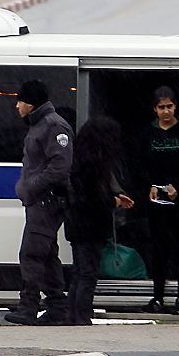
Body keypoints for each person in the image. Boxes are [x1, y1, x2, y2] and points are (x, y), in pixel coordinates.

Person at [5, 79, 73, 326]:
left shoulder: (53, 126)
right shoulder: (39, 125)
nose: (17, 106)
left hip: (47, 201)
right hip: (40, 200)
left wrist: (32, 187)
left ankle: (28, 306)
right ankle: (57, 306)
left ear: (31, 102)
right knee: (46, 255)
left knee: (31, 253)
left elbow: (60, 166)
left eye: (20, 100)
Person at [64, 117, 134, 325]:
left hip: (76, 222)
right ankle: (82, 316)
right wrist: (114, 200)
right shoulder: (94, 163)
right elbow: (93, 198)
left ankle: (73, 315)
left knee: (79, 271)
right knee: (88, 272)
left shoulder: (77, 158)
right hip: (90, 224)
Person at [141, 86, 179, 315]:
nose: (165, 111)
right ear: (154, 109)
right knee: (159, 249)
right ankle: (157, 296)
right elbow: (139, 165)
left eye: (169, 106)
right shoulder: (148, 134)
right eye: (161, 107)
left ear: (175, 107)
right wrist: (151, 186)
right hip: (156, 201)